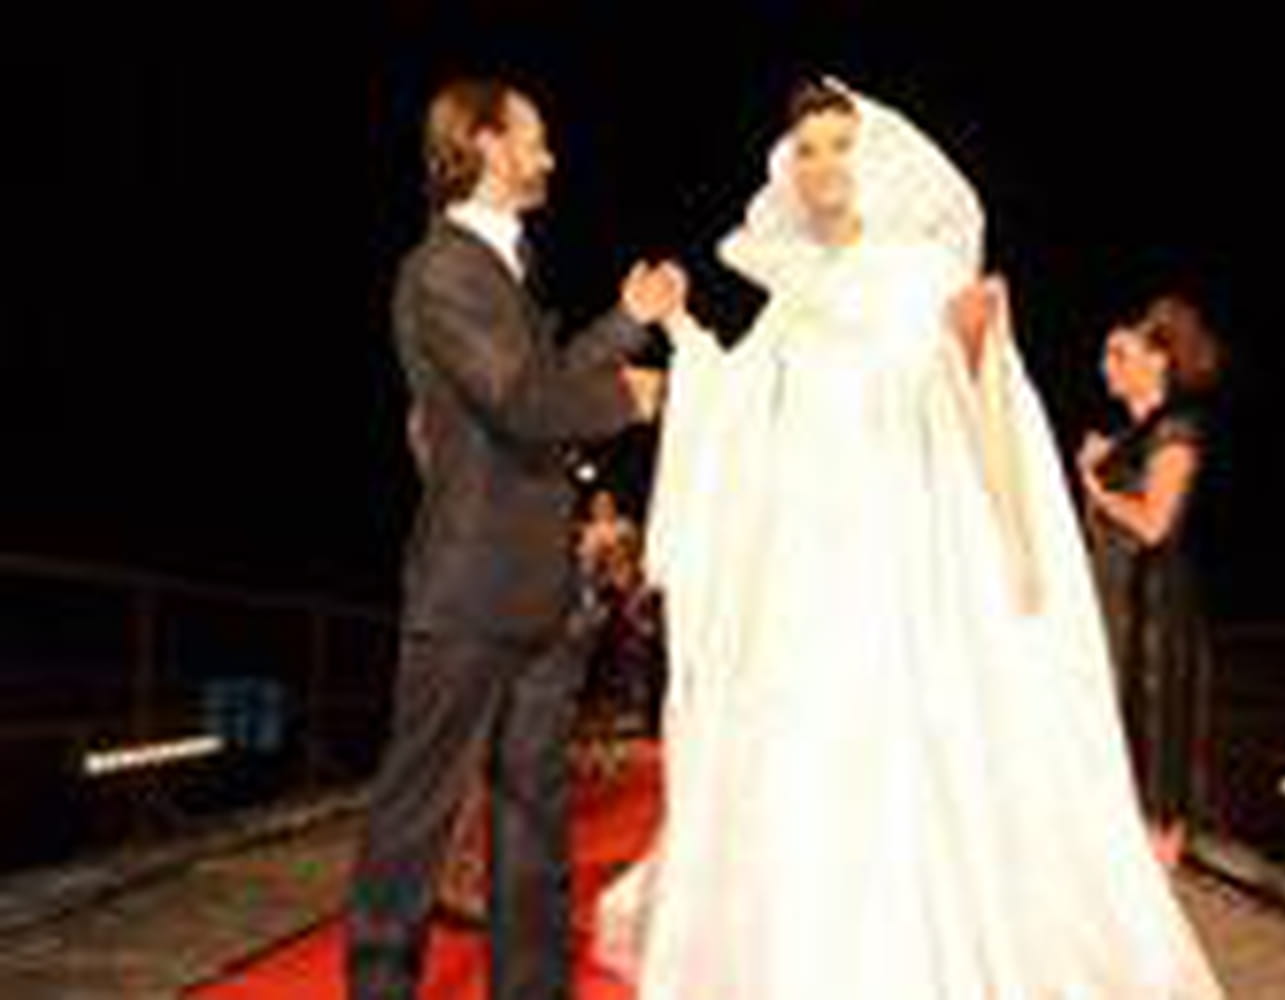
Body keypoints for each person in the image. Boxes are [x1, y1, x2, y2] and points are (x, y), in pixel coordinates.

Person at [595, 78, 1223, 999]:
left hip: (902, 543)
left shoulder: (922, 270)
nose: (823, 166)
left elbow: (987, 404)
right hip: (807, 551)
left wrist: (1014, 535)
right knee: (809, 743)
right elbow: (735, 402)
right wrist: (682, 330)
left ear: (874, 156)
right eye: (807, 150)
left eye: (839, 145)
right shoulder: (792, 292)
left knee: (910, 737)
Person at [346, 74, 685, 1000]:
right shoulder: (443, 269)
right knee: (414, 821)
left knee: (534, 819)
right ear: (488, 144)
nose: (549, 155)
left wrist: (627, 324)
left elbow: (540, 377)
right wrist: (627, 399)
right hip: (467, 590)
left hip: (540, 590)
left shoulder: (505, 262)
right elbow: (522, 401)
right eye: (533, 136)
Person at [1078, 294, 1223, 871]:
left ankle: (1159, 887)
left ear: (1159, 360)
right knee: (1112, 747)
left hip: (1154, 613)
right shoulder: (1125, 439)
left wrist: (1096, 489)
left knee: (1157, 753)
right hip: (1114, 605)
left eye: (1119, 353)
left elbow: (1155, 524)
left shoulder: (1176, 430)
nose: (1105, 366)